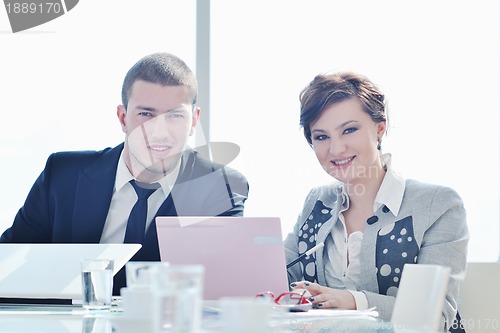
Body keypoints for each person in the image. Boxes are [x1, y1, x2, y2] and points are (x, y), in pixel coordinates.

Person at [0, 52, 249, 294]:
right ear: (122, 118)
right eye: (146, 114)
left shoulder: (221, 187)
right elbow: (8, 265)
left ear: (194, 121)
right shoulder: (63, 175)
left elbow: (221, 289)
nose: (159, 131)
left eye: (174, 116)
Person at [284, 72, 468, 332]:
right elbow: (280, 276)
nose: (336, 149)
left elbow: (435, 317)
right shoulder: (317, 202)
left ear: (380, 129)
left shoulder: (438, 204)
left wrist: (354, 301)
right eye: (321, 136)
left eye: (349, 130)